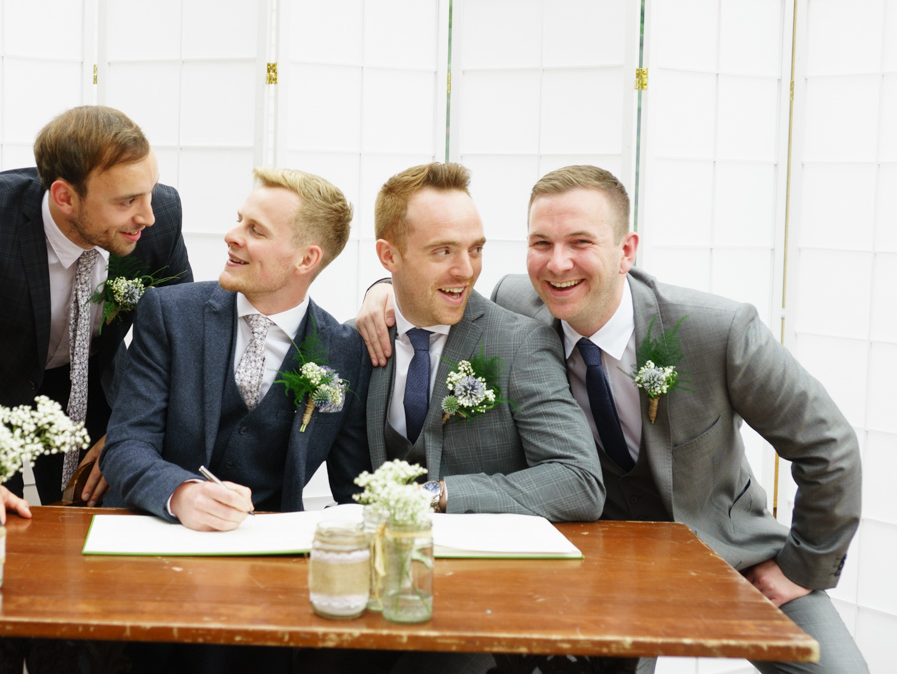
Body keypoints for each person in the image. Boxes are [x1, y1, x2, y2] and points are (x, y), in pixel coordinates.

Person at [358, 164, 866, 674]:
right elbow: (430, 287)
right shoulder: (519, 304)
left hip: (728, 553)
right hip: (595, 559)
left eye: (580, 241)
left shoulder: (718, 331)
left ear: (626, 251)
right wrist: (380, 289)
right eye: (541, 242)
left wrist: (802, 568)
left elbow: (829, 447)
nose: (558, 264)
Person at [0, 104, 191, 674]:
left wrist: (130, 433)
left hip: (98, 397)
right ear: (64, 195)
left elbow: (180, 336)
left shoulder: (157, 217)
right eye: (126, 201)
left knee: (93, 576)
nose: (147, 217)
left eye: (149, 193)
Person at [101, 167, 369, 674]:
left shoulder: (346, 351)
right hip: (154, 555)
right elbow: (126, 445)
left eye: (256, 230)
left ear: (306, 259)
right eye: (238, 220)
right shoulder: (168, 312)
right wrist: (180, 493)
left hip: (267, 575)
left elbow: (355, 488)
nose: (232, 235)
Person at [363, 162, 604, 522]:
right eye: (443, 251)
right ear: (389, 256)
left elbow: (579, 481)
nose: (466, 270)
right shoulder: (356, 340)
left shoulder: (520, 344)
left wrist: (439, 494)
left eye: (475, 249)